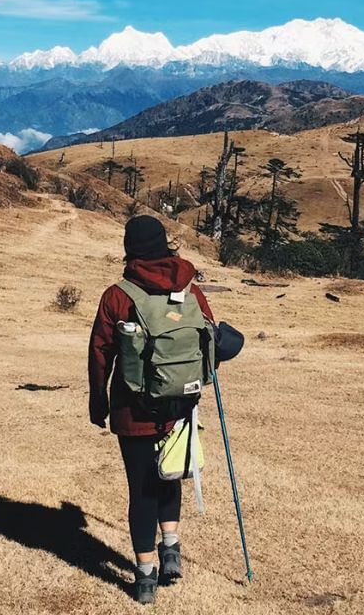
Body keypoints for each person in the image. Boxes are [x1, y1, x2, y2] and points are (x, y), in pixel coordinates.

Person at [88, 215, 215, 605]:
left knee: (141, 489)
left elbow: (100, 352)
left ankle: (145, 577)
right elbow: (209, 339)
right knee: (171, 473)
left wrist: (99, 400)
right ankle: (171, 546)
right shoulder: (191, 288)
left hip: (133, 410)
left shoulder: (118, 295)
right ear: (165, 245)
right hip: (182, 404)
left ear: (129, 248)